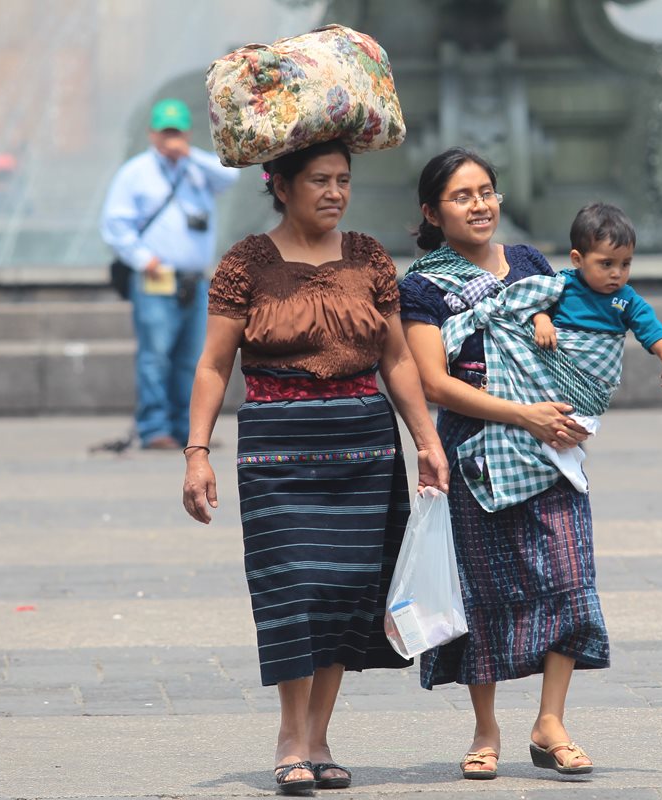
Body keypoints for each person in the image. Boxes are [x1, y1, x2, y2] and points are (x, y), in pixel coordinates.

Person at [180, 138, 448, 795]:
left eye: (343, 180)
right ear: (281, 186)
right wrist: (197, 452)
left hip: (363, 446)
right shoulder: (246, 263)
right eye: (320, 180)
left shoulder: (368, 257)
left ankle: (319, 738)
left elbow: (397, 359)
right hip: (276, 448)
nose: (335, 192)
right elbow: (213, 364)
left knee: (344, 593)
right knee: (293, 590)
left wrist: (426, 440)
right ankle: (289, 736)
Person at [399, 147, 603, 779]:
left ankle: (551, 721)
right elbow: (434, 382)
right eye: (462, 196)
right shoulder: (423, 286)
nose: (479, 205)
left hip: (550, 441)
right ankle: (485, 728)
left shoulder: (530, 263)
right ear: (432, 212)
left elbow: (572, 335)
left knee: (569, 576)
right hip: (475, 451)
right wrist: (522, 414)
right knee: (480, 590)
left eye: (486, 191)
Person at [100, 98, 240, 450]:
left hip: (194, 278)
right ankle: (154, 427)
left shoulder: (198, 169)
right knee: (156, 355)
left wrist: (189, 155)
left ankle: (187, 428)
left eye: (177, 133)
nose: (171, 139)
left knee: (192, 357)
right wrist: (142, 258)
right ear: (152, 134)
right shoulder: (136, 172)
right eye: (166, 133)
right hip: (156, 277)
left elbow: (230, 175)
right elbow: (115, 224)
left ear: (188, 134)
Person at [528, 202, 662, 487]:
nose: (617, 273)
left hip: (592, 384)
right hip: (554, 373)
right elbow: (535, 306)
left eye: (626, 264)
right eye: (607, 264)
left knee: (568, 430)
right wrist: (542, 321)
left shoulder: (626, 298)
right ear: (578, 259)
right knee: (550, 423)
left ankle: (565, 456)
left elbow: (650, 326)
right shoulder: (561, 285)